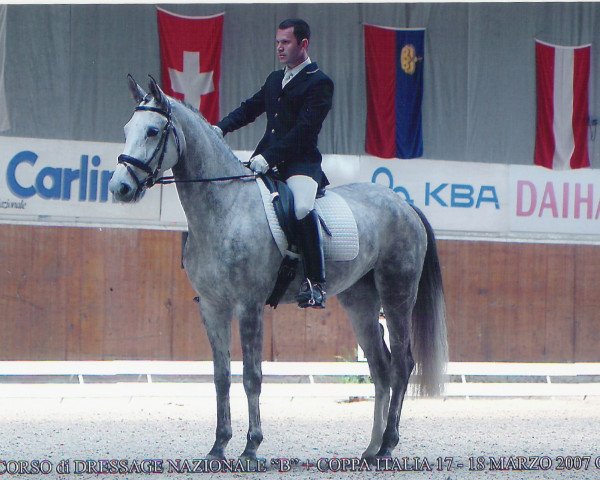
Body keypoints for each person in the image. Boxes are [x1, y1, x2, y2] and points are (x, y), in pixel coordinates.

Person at [213, 18, 334, 309]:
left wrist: (268, 157)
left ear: (303, 44)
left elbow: (303, 131)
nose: (279, 48)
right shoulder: (274, 79)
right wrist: (219, 128)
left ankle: (315, 283)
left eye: (286, 42)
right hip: (266, 160)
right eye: (277, 42)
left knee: (302, 207)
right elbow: (250, 108)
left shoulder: (319, 83)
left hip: (300, 164)